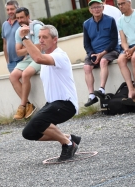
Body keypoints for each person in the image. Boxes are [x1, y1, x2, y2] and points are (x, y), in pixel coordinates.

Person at [19, 24, 81, 161]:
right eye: (39, 37)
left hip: (66, 104)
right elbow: (39, 57)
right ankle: (69, 138)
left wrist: (24, 38)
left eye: (45, 37)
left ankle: (68, 145)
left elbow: (38, 58)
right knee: (28, 133)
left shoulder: (59, 55)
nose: (41, 40)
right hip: (53, 103)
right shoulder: (45, 58)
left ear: (55, 39)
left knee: (39, 121)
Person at [83, 0, 119, 107]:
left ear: (103, 8)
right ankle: (91, 96)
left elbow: (114, 41)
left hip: (110, 50)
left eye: (99, 7)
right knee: (86, 67)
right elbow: (86, 43)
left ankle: (101, 90)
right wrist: (92, 54)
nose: (96, 9)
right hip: (94, 52)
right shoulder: (86, 24)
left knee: (103, 61)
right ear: (90, 10)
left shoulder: (110, 20)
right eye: (93, 8)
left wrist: (102, 53)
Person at [9, 7, 43, 120]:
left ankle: (22, 105)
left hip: (41, 57)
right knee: (13, 76)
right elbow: (18, 52)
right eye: (17, 18)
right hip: (29, 58)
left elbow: (38, 49)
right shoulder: (19, 31)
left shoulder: (37, 27)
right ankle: (29, 104)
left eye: (22, 17)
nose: (20, 20)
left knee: (25, 74)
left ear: (28, 17)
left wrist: (26, 47)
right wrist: (30, 48)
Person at [116, 0, 135, 105]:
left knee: (134, 58)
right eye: (119, 4)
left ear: (129, 3)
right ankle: (131, 89)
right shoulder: (120, 20)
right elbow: (123, 40)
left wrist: (132, 50)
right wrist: (127, 49)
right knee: (120, 60)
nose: (120, 6)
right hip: (130, 46)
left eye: (123, 3)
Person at [1, 0, 24, 72]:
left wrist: (25, 58)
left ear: (17, 8)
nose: (9, 11)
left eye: (12, 9)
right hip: (11, 63)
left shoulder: (22, 22)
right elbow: (5, 43)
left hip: (23, 60)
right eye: (8, 10)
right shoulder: (4, 24)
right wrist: (7, 61)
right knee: (14, 81)